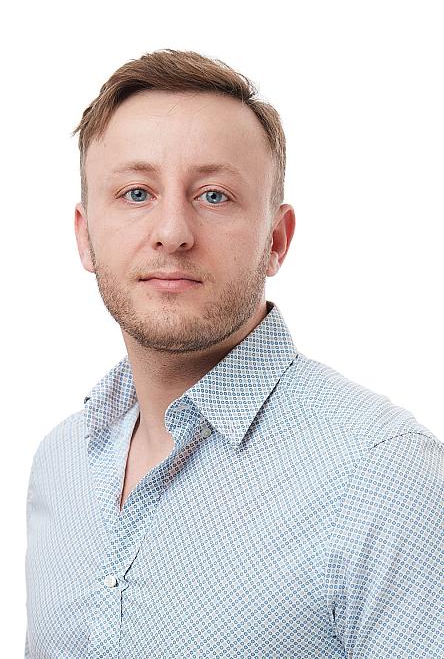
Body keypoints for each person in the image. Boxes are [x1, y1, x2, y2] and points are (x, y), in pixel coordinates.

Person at [24, 49, 443, 658]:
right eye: (136, 192)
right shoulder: (60, 463)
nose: (172, 232)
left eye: (214, 196)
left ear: (276, 240)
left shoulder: (386, 477)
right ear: (85, 237)